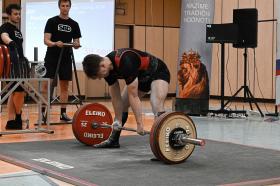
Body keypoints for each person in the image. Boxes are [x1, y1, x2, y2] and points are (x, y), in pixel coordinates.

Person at [82, 48, 170, 148]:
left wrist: (139, 123)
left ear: (102, 65)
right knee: (123, 105)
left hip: (158, 72)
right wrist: (118, 120)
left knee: (156, 104)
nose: (99, 78)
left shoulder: (125, 60)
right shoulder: (107, 70)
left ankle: (163, 144)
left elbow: (133, 95)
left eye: (98, 75)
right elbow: (115, 97)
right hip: (141, 77)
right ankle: (113, 140)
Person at [42, 0, 81, 122]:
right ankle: (44, 114)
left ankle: (63, 114)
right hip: (52, 57)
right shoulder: (52, 21)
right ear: (59, 7)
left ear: (70, 7)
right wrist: (54, 43)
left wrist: (75, 44)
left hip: (66, 58)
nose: (65, 8)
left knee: (64, 86)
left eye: (67, 6)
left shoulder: (74, 24)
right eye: (63, 6)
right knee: (46, 86)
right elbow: (46, 40)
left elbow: (77, 42)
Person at [0, 4, 26, 130]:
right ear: (9, 15)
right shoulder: (5, 26)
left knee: (14, 92)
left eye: (19, 14)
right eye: (15, 14)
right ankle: (18, 117)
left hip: (20, 63)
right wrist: (9, 41)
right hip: (11, 64)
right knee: (19, 91)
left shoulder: (17, 30)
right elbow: (3, 36)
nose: (18, 16)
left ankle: (11, 122)